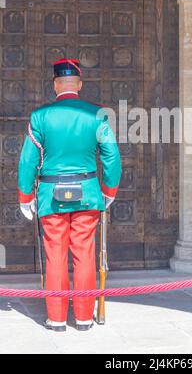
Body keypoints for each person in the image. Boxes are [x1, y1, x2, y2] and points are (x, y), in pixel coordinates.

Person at [18, 59, 122, 332]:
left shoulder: (40, 117)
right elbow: (112, 156)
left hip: (51, 194)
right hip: (87, 193)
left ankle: (57, 318)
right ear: (80, 84)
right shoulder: (97, 115)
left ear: (55, 85)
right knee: (85, 254)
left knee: (55, 254)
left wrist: (25, 196)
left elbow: (27, 161)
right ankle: (85, 317)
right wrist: (108, 191)